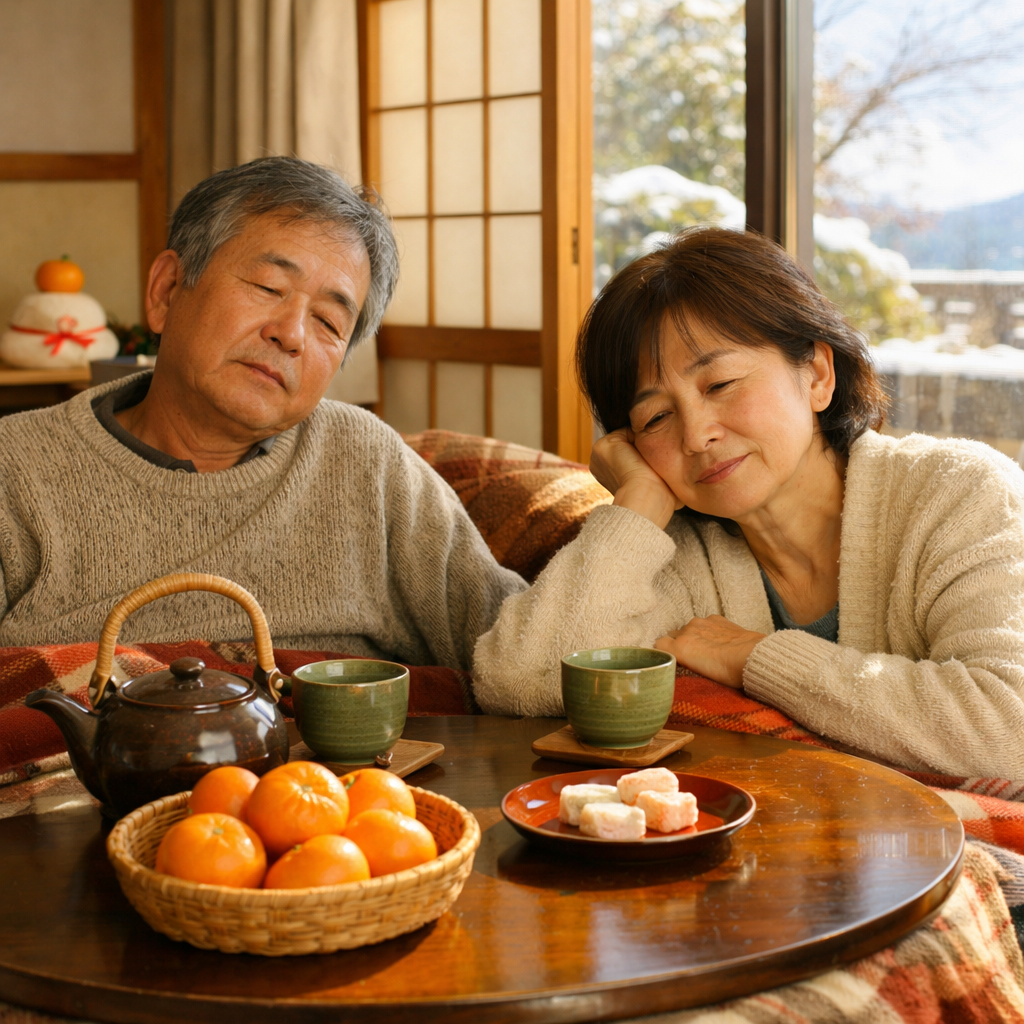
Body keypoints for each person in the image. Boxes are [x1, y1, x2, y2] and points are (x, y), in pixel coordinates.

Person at [474, 227, 1024, 779]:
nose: (696, 435)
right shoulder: (678, 558)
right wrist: (635, 505)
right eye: (656, 418)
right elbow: (520, 680)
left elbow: (1008, 728)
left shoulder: (960, 492)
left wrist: (754, 657)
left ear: (817, 375)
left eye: (720, 384)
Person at [0, 157, 526, 668]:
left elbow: (521, 663)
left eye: (327, 321)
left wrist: (614, 511)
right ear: (166, 291)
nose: (292, 334)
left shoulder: (365, 459)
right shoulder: (14, 468)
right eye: (267, 287)